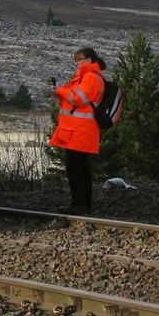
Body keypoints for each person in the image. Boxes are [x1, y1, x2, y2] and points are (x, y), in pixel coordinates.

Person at [49, 47, 108, 214]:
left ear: (88, 61)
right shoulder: (90, 77)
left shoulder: (90, 77)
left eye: (79, 60)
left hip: (81, 130)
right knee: (81, 167)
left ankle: (79, 204)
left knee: (74, 166)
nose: (77, 63)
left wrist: (60, 90)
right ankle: (84, 204)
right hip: (82, 130)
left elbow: (79, 98)